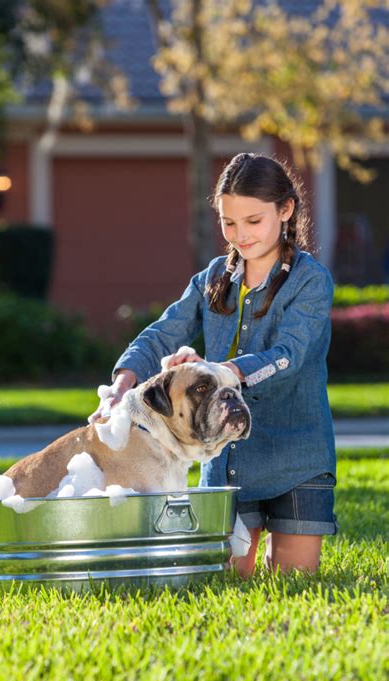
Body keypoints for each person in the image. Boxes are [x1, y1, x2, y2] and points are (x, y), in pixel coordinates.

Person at [90, 153, 337, 578]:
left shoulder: (311, 281)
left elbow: (288, 356)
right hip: (227, 463)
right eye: (228, 222)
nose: (240, 235)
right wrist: (121, 382)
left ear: (286, 210)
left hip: (297, 459)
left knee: (294, 585)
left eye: (253, 221)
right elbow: (163, 333)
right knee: (226, 582)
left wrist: (219, 372)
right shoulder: (210, 279)